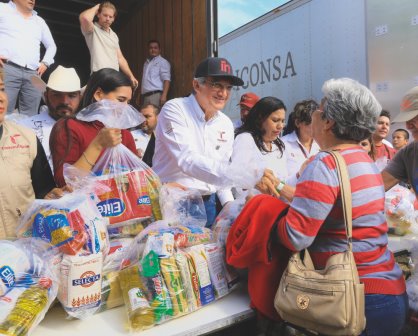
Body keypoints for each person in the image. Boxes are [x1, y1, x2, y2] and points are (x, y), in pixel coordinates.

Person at [260, 78, 407, 335]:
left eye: (319, 109)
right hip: (388, 293)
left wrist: (268, 217)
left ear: (328, 121)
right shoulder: (365, 160)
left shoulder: (325, 164)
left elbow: (296, 237)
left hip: (354, 302)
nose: (315, 113)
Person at [154, 57, 278, 228]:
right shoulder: (175, 109)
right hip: (174, 203)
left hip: (209, 204)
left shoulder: (225, 123)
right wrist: (246, 175)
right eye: (216, 85)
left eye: (228, 87)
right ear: (197, 85)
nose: (224, 93)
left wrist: (229, 208)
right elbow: (187, 160)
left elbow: (222, 171)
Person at [0, 70, 66, 239]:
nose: (1, 97)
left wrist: (57, 195)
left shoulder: (26, 137)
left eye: (1, 89)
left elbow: (43, 190)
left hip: (23, 248)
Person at [49, 68, 138, 187]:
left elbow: (136, 179)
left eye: (128, 102)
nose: (125, 107)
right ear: (98, 95)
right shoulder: (70, 127)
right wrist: (98, 144)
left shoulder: (125, 134)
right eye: (121, 100)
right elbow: (65, 182)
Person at [17, 66, 82, 168]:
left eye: (71, 95)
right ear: (46, 96)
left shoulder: (88, 128)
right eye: (57, 95)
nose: (64, 101)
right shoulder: (24, 128)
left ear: (80, 98)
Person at [0, 0, 57, 116]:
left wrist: (45, 63)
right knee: (3, 110)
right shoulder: (2, 9)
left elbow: (52, 46)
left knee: (31, 115)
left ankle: (26, 134)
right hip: (6, 68)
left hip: (33, 74)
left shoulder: (39, 21)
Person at [79, 2, 138, 87]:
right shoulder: (91, 29)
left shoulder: (114, 35)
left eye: (110, 17)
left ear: (113, 19)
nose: (108, 19)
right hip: (100, 74)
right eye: (105, 15)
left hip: (114, 76)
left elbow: (120, 58)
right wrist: (97, 7)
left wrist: (131, 76)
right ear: (98, 14)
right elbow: (84, 18)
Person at [233, 96, 289, 184]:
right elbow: (237, 177)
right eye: (275, 120)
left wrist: (300, 173)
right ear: (260, 118)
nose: (280, 126)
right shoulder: (246, 139)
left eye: (282, 121)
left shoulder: (278, 144)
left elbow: (284, 181)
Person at [383, 86, 418, 196]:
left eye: (413, 118)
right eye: (406, 120)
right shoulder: (408, 153)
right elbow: (379, 185)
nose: (408, 126)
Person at [281, 99, 320, 185]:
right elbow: (279, 184)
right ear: (298, 123)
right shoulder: (282, 145)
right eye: (311, 123)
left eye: (317, 123)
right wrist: (299, 174)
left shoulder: (321, 144)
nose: (316, 127)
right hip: (292, 197)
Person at [140, 40, 171, 107]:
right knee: (145, 116)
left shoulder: (162, 62)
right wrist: (139, 95)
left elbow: (166, 80)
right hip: (145, 96)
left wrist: (164, 95)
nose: (153, 50)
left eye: (155, 48)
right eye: (151, 48)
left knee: (155, 116)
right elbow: (144, 80)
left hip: (155, 96)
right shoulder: (146, 63)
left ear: (159, 50)